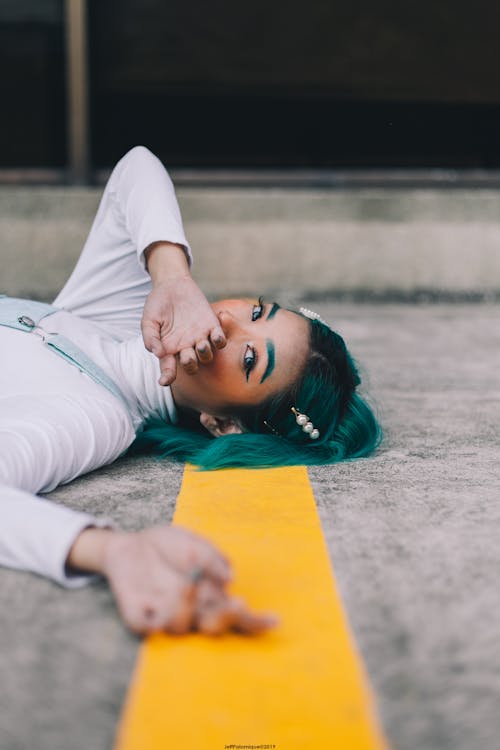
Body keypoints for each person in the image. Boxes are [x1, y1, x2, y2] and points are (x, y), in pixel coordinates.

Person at [0, 147, 381, 636]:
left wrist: (112, 552)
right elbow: (136, 168)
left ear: (222, 424)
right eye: (257, 311)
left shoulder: (94, 417)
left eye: (249, 360)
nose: (226, 321)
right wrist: (173, 277)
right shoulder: (114, 316)